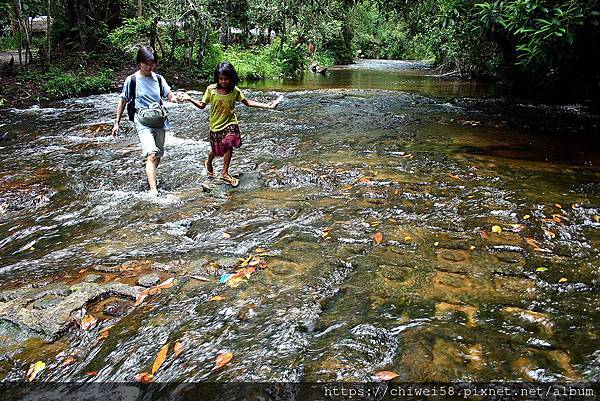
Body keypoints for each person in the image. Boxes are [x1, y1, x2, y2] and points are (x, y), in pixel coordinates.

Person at [181, 62, 283, 187]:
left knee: (229, 143)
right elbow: (202, 105)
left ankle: (225, 173)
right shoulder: (211, 90)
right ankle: (208, 162)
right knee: (217, 150)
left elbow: (248, 103)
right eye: (221, 79)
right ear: (217, 78)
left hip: (230, 122)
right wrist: (190, 99)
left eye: (226, 79)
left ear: (231, 78)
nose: (223, 81)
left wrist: (268, 105)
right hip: (216, 124)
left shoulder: (234, 91)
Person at [111, 46, 183, 196]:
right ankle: (153, 191)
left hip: (159, 121)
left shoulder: (158, 78)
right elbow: (123, 102)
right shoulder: (131, 80)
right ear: (139, 63)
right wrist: (116, 123)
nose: (149, 66)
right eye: (146, 63)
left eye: (152, 63)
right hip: (142, 122)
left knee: (157, 156)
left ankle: (151, 177)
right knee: (151, 154)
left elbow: (169, 95)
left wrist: (176, 98)